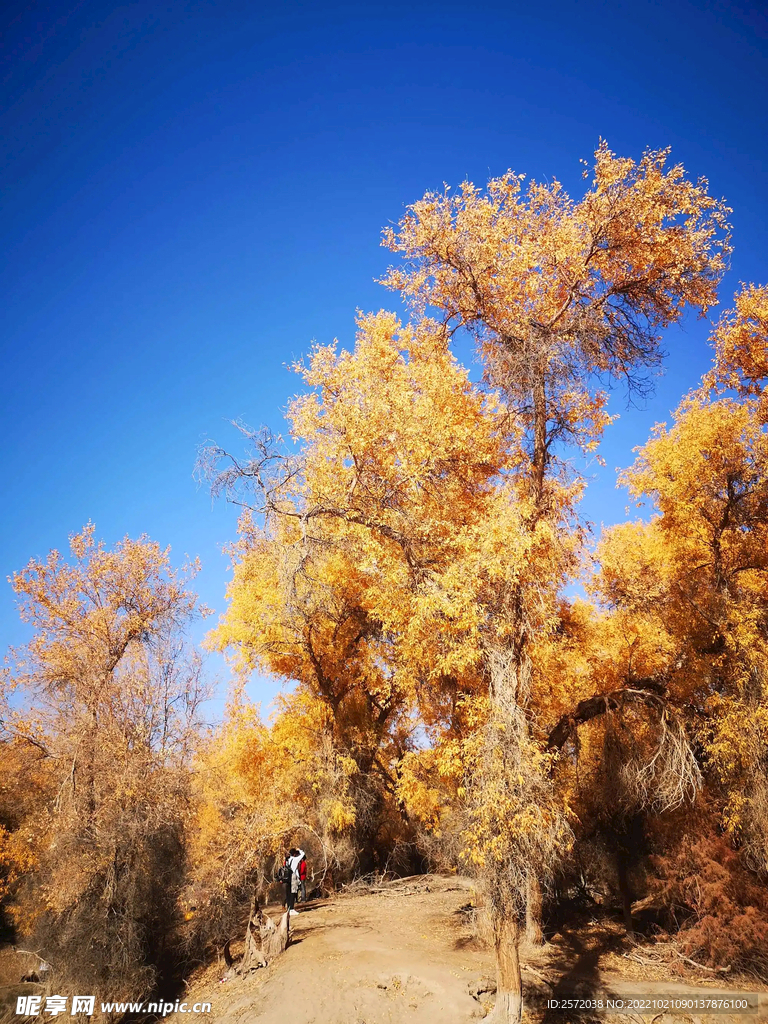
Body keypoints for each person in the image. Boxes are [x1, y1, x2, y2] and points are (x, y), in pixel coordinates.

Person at [287, 846, 304, 916]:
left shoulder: (288, 860)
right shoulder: (295, 859)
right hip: (293, 876)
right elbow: (303, 854)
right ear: (294, 854)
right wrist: (299, 850)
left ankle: (289, 908)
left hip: (289, 877)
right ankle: (291, 909)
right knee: (293, 893)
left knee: (290, 893)